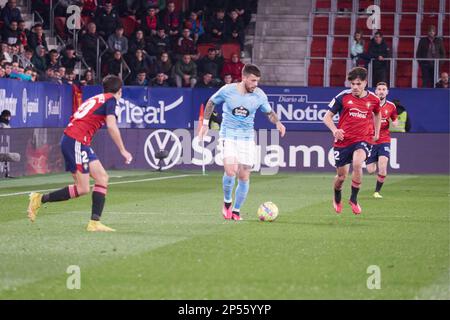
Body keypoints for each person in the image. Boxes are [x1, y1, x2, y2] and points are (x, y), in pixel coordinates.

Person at [27, 75, 133, 232]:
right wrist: (123, 150)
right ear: (120, 91)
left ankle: (94, 222)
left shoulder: (98, 98)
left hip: (78, 141)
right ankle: (39, 199)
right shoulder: (111, 99)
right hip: (75, 141)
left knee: (102, 177)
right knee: (83, 188)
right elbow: (111, 126)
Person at [198, 64, 286, 221]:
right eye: (253, 81)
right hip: (228, 135)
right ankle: (227, 202)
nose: (255, 84)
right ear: (244, 78)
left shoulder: (259, 95)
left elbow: (269, 112)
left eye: (257, 81)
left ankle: (236, 210)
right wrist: (205, 124)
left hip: (247, 139)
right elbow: (211, 102)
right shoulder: (228, 90)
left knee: (244, 176)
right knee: (231, 170)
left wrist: (278, 123)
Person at [322, 67, 381, 215]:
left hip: (363, 139)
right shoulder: (343, 97)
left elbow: (377, 115)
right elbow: (326, 117)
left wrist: (377, 132)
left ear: (365, 83)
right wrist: (335, 130)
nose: (355, 87)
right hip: (343, 141)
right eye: (352, 84)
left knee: (357, 163)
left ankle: (353, 199)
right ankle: (337, 196)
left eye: (358, 84)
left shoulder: (373, 99)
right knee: (341, 177)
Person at [366, 82, 398, 198]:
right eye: (379, 89)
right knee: (370, 170)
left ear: (387, 92)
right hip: (370, 139)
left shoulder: (391, 106)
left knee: (383, 166)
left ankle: (377, 192)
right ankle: (367, 160)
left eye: (384, 89)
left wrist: (395, 123)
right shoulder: (369, 104)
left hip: (384, 139)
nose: (381, 91)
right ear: (375, 91)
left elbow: (394, 118)